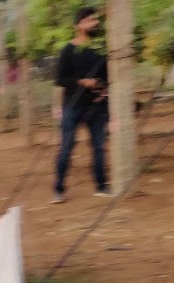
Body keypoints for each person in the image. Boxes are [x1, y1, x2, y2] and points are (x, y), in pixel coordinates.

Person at [53, 6, 111, 203]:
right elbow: (60, 79)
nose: (94, 23)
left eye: (95, 20)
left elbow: (108, 76)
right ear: (77, 26)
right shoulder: (68, 50)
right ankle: (59, 188)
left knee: (99, 147)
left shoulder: (101, 49)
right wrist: (82, 82)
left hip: (97, 105)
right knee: (67, 147)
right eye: (89, 21)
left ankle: (102, 186)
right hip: (73, 106)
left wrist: (102, 87)